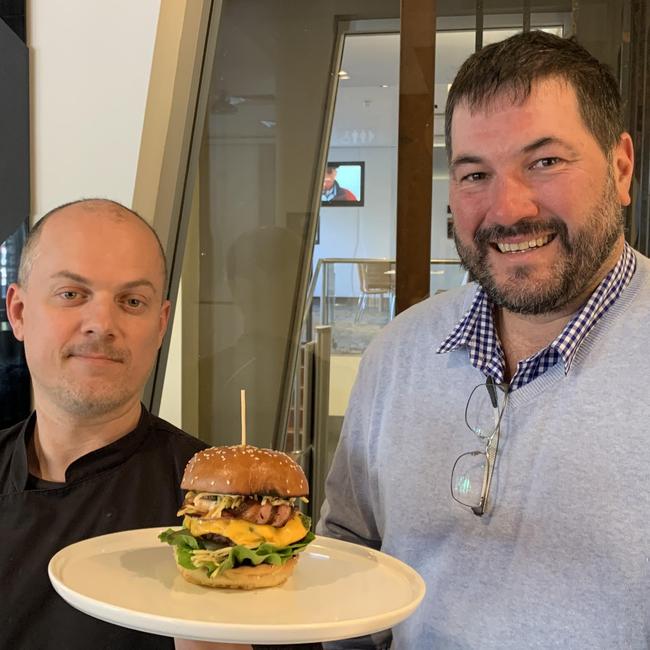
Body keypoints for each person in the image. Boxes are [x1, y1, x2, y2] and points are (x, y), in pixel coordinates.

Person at [317, 30, 650, 648]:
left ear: (621, 167)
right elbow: (350, 554)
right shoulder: (399, 354)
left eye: (545, 162)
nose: (507, 209)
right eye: (474, 173)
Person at [0, 199, 250, 650]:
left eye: (131, 301)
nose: (102, 323)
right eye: (71, 294)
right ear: (18, 312)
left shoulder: (220, 505)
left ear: (159, 325)